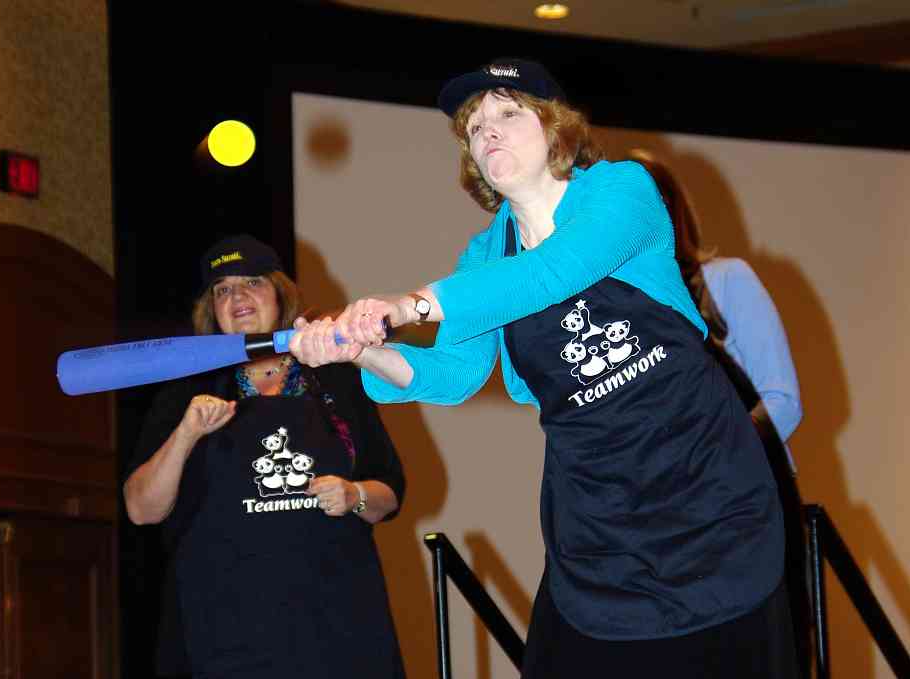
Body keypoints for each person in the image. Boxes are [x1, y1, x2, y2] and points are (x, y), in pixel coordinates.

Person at [289, 58, 798, 677]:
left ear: (555, 127)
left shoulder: (622, 191)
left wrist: (408, 305)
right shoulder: (483, 257)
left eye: (507, 112)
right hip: (598, 517)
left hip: (704, 494)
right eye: (474, 126)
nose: (487, 131)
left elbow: (552, 272)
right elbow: (452, 375)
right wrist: (359, 348)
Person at [123, 234, 406, 679]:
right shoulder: (185, 391)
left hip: (339, 638)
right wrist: (185, 435)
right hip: (221, 641)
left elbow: (390, 492)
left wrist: (355, 495)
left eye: (251, 281)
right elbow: (141, 510)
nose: (236, 296)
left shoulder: (337, 381)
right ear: (211, 310)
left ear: (280, 294)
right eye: (222, 289)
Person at [627, 148, 812, 678]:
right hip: (660, 530)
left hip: (745, 508)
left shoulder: (727, 279)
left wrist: (699, 459)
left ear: (671, 209)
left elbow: (783, 402)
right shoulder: (618, 308)